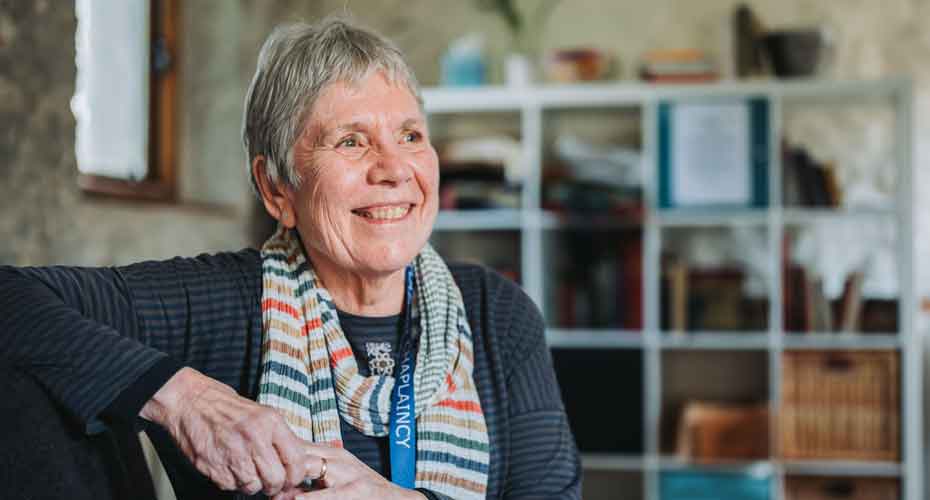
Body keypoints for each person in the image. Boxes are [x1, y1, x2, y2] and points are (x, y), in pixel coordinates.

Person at [0, 17, 581, 500]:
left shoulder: (496, 314)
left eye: (409, 135)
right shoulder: (225, 303)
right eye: (351, 141)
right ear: (277, 189)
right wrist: (185, 398)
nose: (394, 169)